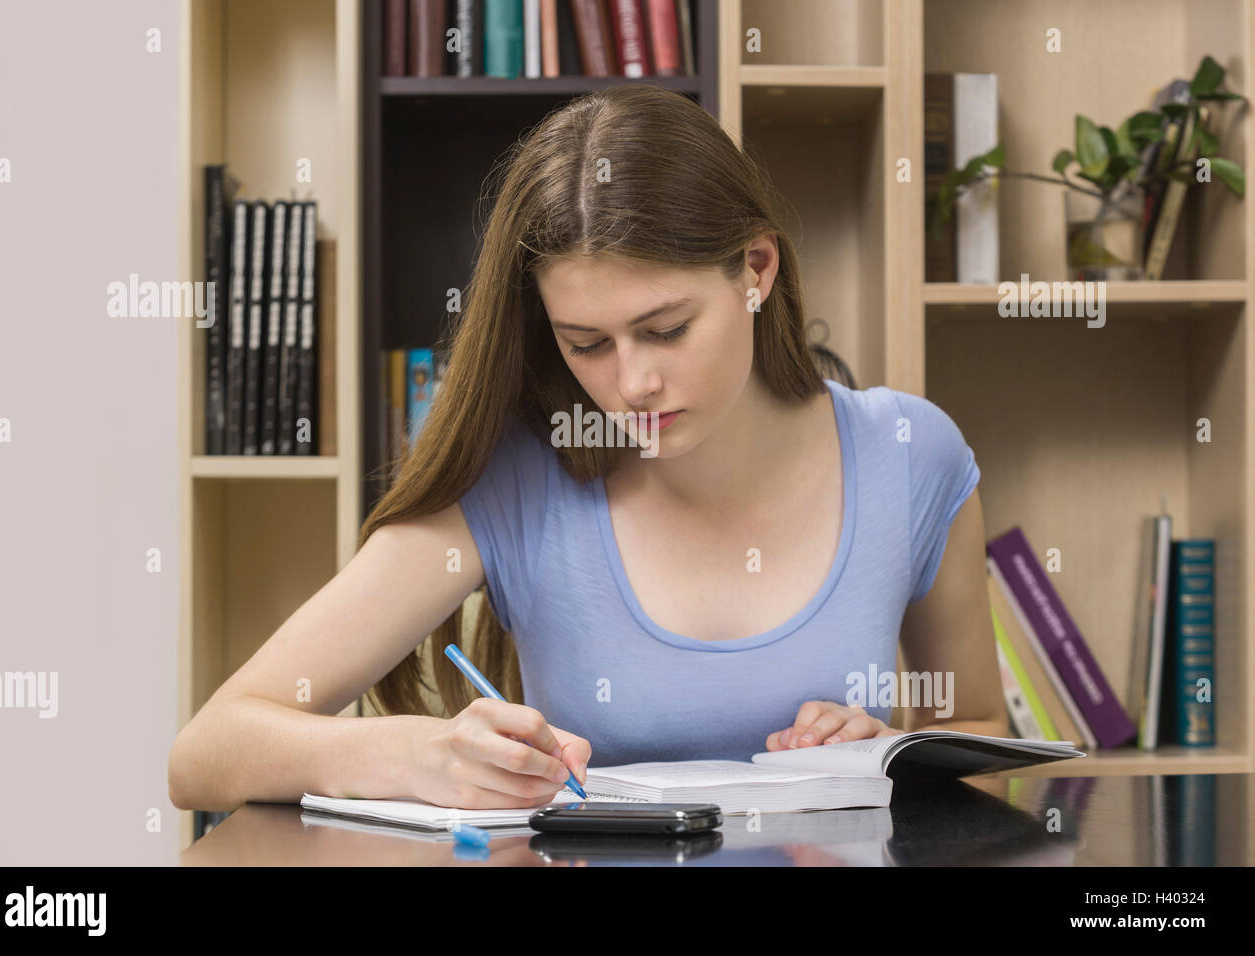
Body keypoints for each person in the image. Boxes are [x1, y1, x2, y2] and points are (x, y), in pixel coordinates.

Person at [168, 85, 1008, 814]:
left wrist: (887, 755)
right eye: (587, 343)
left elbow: (982, 738)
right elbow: (204, 754)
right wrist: (415, 755)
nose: (632, 384)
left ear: (755, 269)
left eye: (665, 328)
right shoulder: (517, 478)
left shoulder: (909, 452)